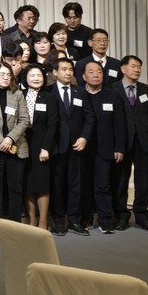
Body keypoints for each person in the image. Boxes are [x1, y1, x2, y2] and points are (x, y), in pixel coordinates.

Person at [112, 55, 148, 232]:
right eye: (133, 66)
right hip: (122, 142)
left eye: (139, 66)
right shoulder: (113, 89)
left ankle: (142, 217)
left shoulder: (147, 89)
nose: (137, 69)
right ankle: (122, 216)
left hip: (143, 141)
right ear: (123, 69)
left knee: (142, 180)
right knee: (121, 180)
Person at [50, 57, 94, 236]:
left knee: (76, 183)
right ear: (55, 72)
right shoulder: (48, 92)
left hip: (77, 145)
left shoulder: (80, 92)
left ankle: (75, 220)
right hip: (56, 146)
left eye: (70, 69)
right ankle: (59, 221)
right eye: (64, 69)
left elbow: (90, 117)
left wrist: (84, 137)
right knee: (57, 184)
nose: (68, 73)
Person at [0, 62, 29, 238]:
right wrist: (0, 141)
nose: (5, 77)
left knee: (15, 189)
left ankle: (15, 226)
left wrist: (10, 138)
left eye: (8, 74)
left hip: (16, 147)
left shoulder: (17, 94)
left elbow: (25, 120)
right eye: (2, 74)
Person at [83, 61, 125, 234]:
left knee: (103, 184)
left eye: (99, 71)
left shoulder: (112, 95)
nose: (95, 74)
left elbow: (119, 124)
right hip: (81, 149)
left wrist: (120, 148)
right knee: (83, 184)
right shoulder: (78, 94)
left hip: (105, 148)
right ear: (84, 76)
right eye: (91, 71)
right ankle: (84, 218)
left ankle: (105, 219)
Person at [20, 63, 58, 230]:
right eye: (32, 75)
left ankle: (43, 221)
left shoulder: (49, 97)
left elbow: (53, 125)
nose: (36, 78)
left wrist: (46, 148)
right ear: (25, 78)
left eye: (39, 75)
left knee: (42, 184)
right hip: (24, 144)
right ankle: (32, 219)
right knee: (27, 184)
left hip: (42, 145)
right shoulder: (19, 95)